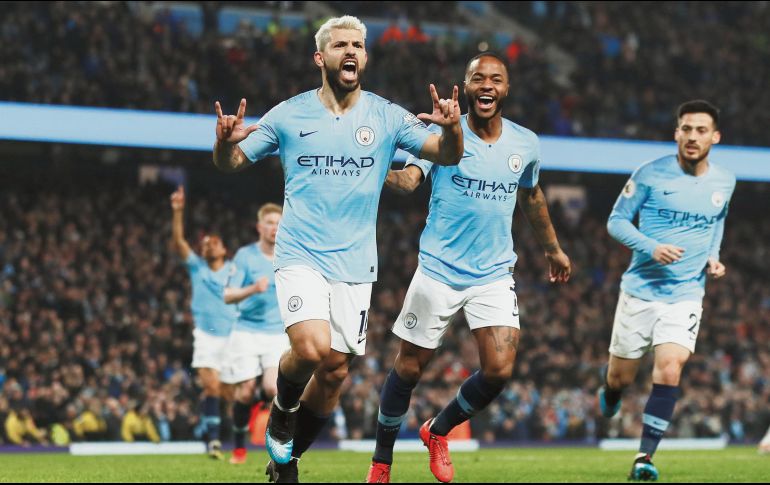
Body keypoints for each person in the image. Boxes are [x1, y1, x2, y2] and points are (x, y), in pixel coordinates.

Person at [212, 14, 464, 482]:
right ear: (320, 57)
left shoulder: (387, 116)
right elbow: (232, 163)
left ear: (365, 57)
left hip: (355, 264)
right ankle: (282, 410)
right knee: (310, 349)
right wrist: (224, 144)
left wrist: (452, 130)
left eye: (358, 45)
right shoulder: (289, 114)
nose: (350, 51)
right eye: (340, 45)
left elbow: (446, 155)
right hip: (300, 254)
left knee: (333, 373)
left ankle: (285, 463)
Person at [366, 52, 571, 483]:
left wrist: (552, 248)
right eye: (478, 77)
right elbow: (408, 181)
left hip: (494, 274)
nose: (487, 85)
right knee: (409, 368)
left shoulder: (525, 143)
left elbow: (530, 195)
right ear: (467, 85)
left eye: (496, 78)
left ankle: (437, 431)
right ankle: (381, 462)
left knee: (499, 370)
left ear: (506, 89)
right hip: (438, 270)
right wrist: (372, 164)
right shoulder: (440, 137)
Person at [598, 100, 735, 481]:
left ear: (715, 137)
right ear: (676, 132)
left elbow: (717, 221)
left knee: (671, 368)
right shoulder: (649, 174)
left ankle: (644, 458)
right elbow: (616, 221)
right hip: (640, 291)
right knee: (620, 379)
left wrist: (713, 256)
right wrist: (651, 247)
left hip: (687, 293)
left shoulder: (725, 181)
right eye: (686, 129)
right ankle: (610, 392)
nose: (693, 137)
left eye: (701, 130)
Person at [170, 186, 238, 460]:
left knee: (227, 396)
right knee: (210, 387)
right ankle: (213, 441)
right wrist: (178, 212)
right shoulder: (197, 267)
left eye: (213, 243)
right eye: (205, 243)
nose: (207, 245)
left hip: (233, 337)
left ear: (224, 249)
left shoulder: (235, 270)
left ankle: (224, 432)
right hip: (206, 336)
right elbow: (178, 243)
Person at [222, 203, 287, 465]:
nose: (274, 228)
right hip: (246, 331)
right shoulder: (245, 256)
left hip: (276, 333)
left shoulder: (290, 255)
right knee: (245, 392)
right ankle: (239, 446)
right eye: (270, 222)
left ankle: (265, 412)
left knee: (273, 387)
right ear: (260, 227)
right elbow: (228, 295)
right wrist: (252, 288)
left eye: (279, 223)